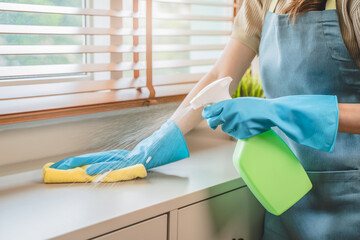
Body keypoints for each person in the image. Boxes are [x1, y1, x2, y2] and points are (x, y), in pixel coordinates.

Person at [51, 0, 360, 238]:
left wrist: (282, 112)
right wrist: (161, 139)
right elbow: (218, 76)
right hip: (286, 198)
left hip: (351, 202)